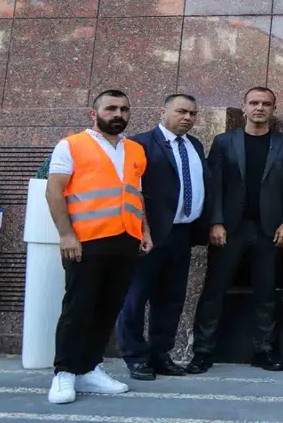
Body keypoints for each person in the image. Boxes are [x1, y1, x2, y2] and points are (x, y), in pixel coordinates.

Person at [44, 89, 152, 404]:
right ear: (94, 113)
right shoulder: (72, 145)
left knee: (108, 307)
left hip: (126, 239)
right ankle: (64, 373)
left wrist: (144, 229)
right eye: (111, 108)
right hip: (86, 240)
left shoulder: (135, 150)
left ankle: (90, 367)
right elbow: (54, 193)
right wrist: (66, 235)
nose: (118, 114)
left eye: (124, 109)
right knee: (79, 307)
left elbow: (136, 193)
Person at [189, 87, 283, 373]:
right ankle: (202, 351)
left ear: (273, 109)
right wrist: (214, 221)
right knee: (214, 291)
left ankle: (264, 351)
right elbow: (213, 185)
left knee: (266, 293)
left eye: (266, 104)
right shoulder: (224, 142)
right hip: (229, 229)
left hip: (269, 231)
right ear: (244, 107)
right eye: (254, 103)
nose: (259, 108)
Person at [116, 94, 214, 381]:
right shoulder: (139, 144)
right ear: (163, 111)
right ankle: (135, 357)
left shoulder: (194, 145)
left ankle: (161, 354)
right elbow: (131, 191)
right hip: (149, 235)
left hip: (183, 234)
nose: (188, 118)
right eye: (181, 111)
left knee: (171, 299)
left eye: (193, 113)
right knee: (135, 298)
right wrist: (139, 230)